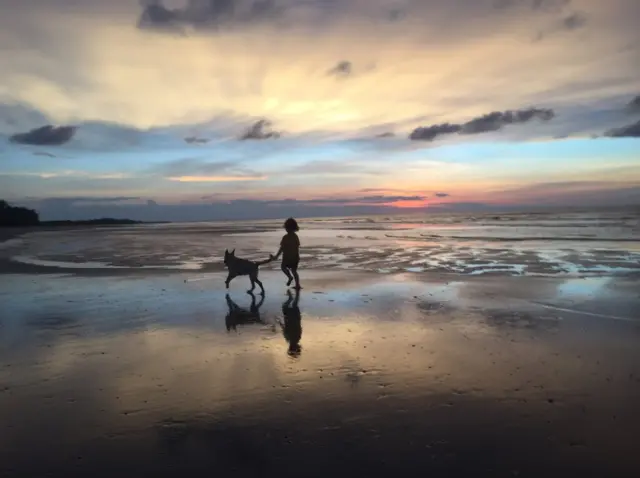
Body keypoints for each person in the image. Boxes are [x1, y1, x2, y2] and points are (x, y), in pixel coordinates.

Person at [271, 217, 301, 289]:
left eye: (286, 228)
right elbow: (297, 246)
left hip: (287, 257)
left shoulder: (285, 237)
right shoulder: (295, 236)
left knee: (283, 267)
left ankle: (290, 277)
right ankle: (297, 285)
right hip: (295, 257)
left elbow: (282, 248)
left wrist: (276, 256)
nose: (286, 229)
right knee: (294, 271)